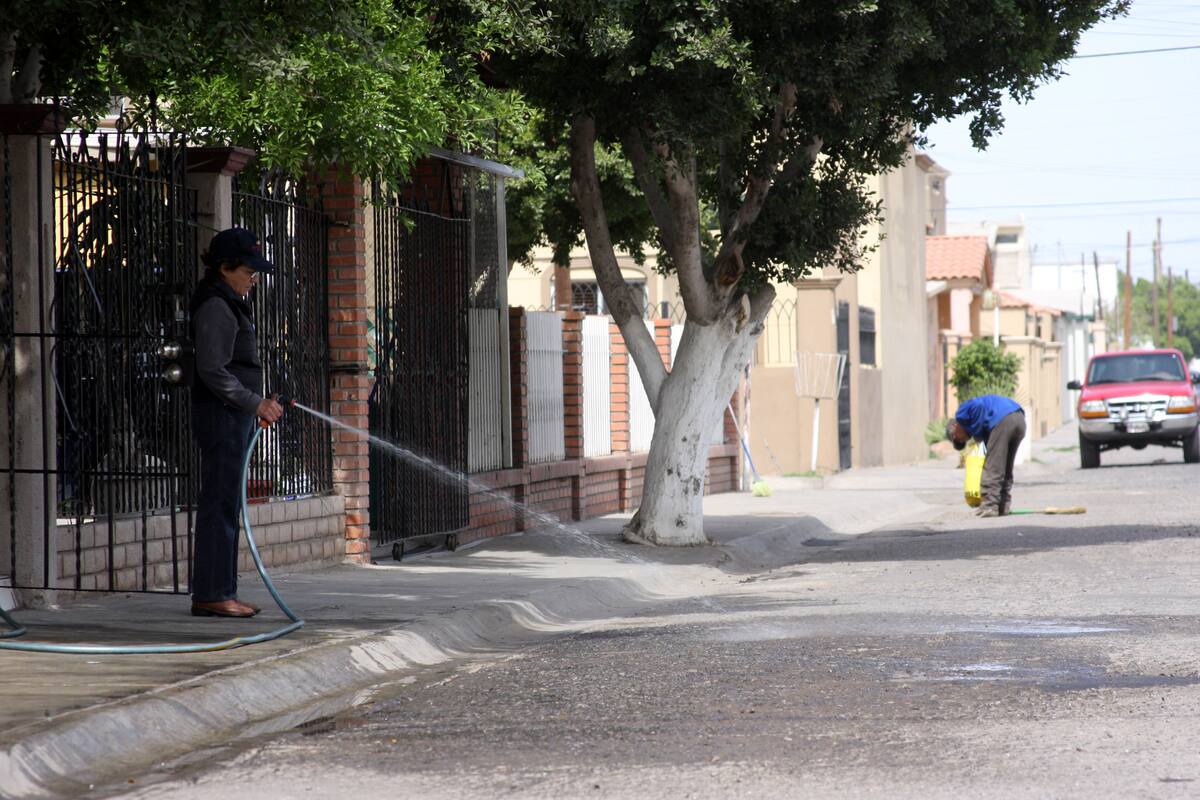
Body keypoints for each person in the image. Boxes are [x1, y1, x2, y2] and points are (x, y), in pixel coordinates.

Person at [189, 228, 283, 618]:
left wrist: (257, 404)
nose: (253, 279)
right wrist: (254, 402)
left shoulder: (230, 301)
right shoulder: (216, 305)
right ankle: (213, 593)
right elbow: (213, 369)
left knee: (228, 502)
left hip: (235, 415)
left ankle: (222, 591)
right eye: (249, 271)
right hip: (222, 417)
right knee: (220, 503)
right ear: (225, 268)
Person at [947, 394, 1026, 518]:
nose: (965, 440)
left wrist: (977, 432)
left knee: (992, 467)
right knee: (1005, 467)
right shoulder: (980, 428)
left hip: (1003, 419)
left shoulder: (961, 414)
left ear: (954, 427)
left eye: (959, 440)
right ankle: (1003, 505)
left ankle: (989, 506)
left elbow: (977, 404)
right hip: (1019, 419)